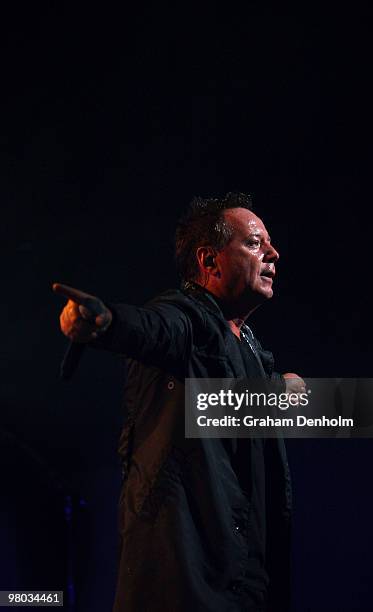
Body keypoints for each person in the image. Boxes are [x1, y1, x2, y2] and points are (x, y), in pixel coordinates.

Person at [54, 192, 297, 612]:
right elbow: (150, 329)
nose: (273, 253)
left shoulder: (254, 352)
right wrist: (105, 321)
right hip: (184, 584)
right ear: (209, 261)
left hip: (245, 585)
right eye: (255, 243)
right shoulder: (185, 318)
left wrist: (279, 388)